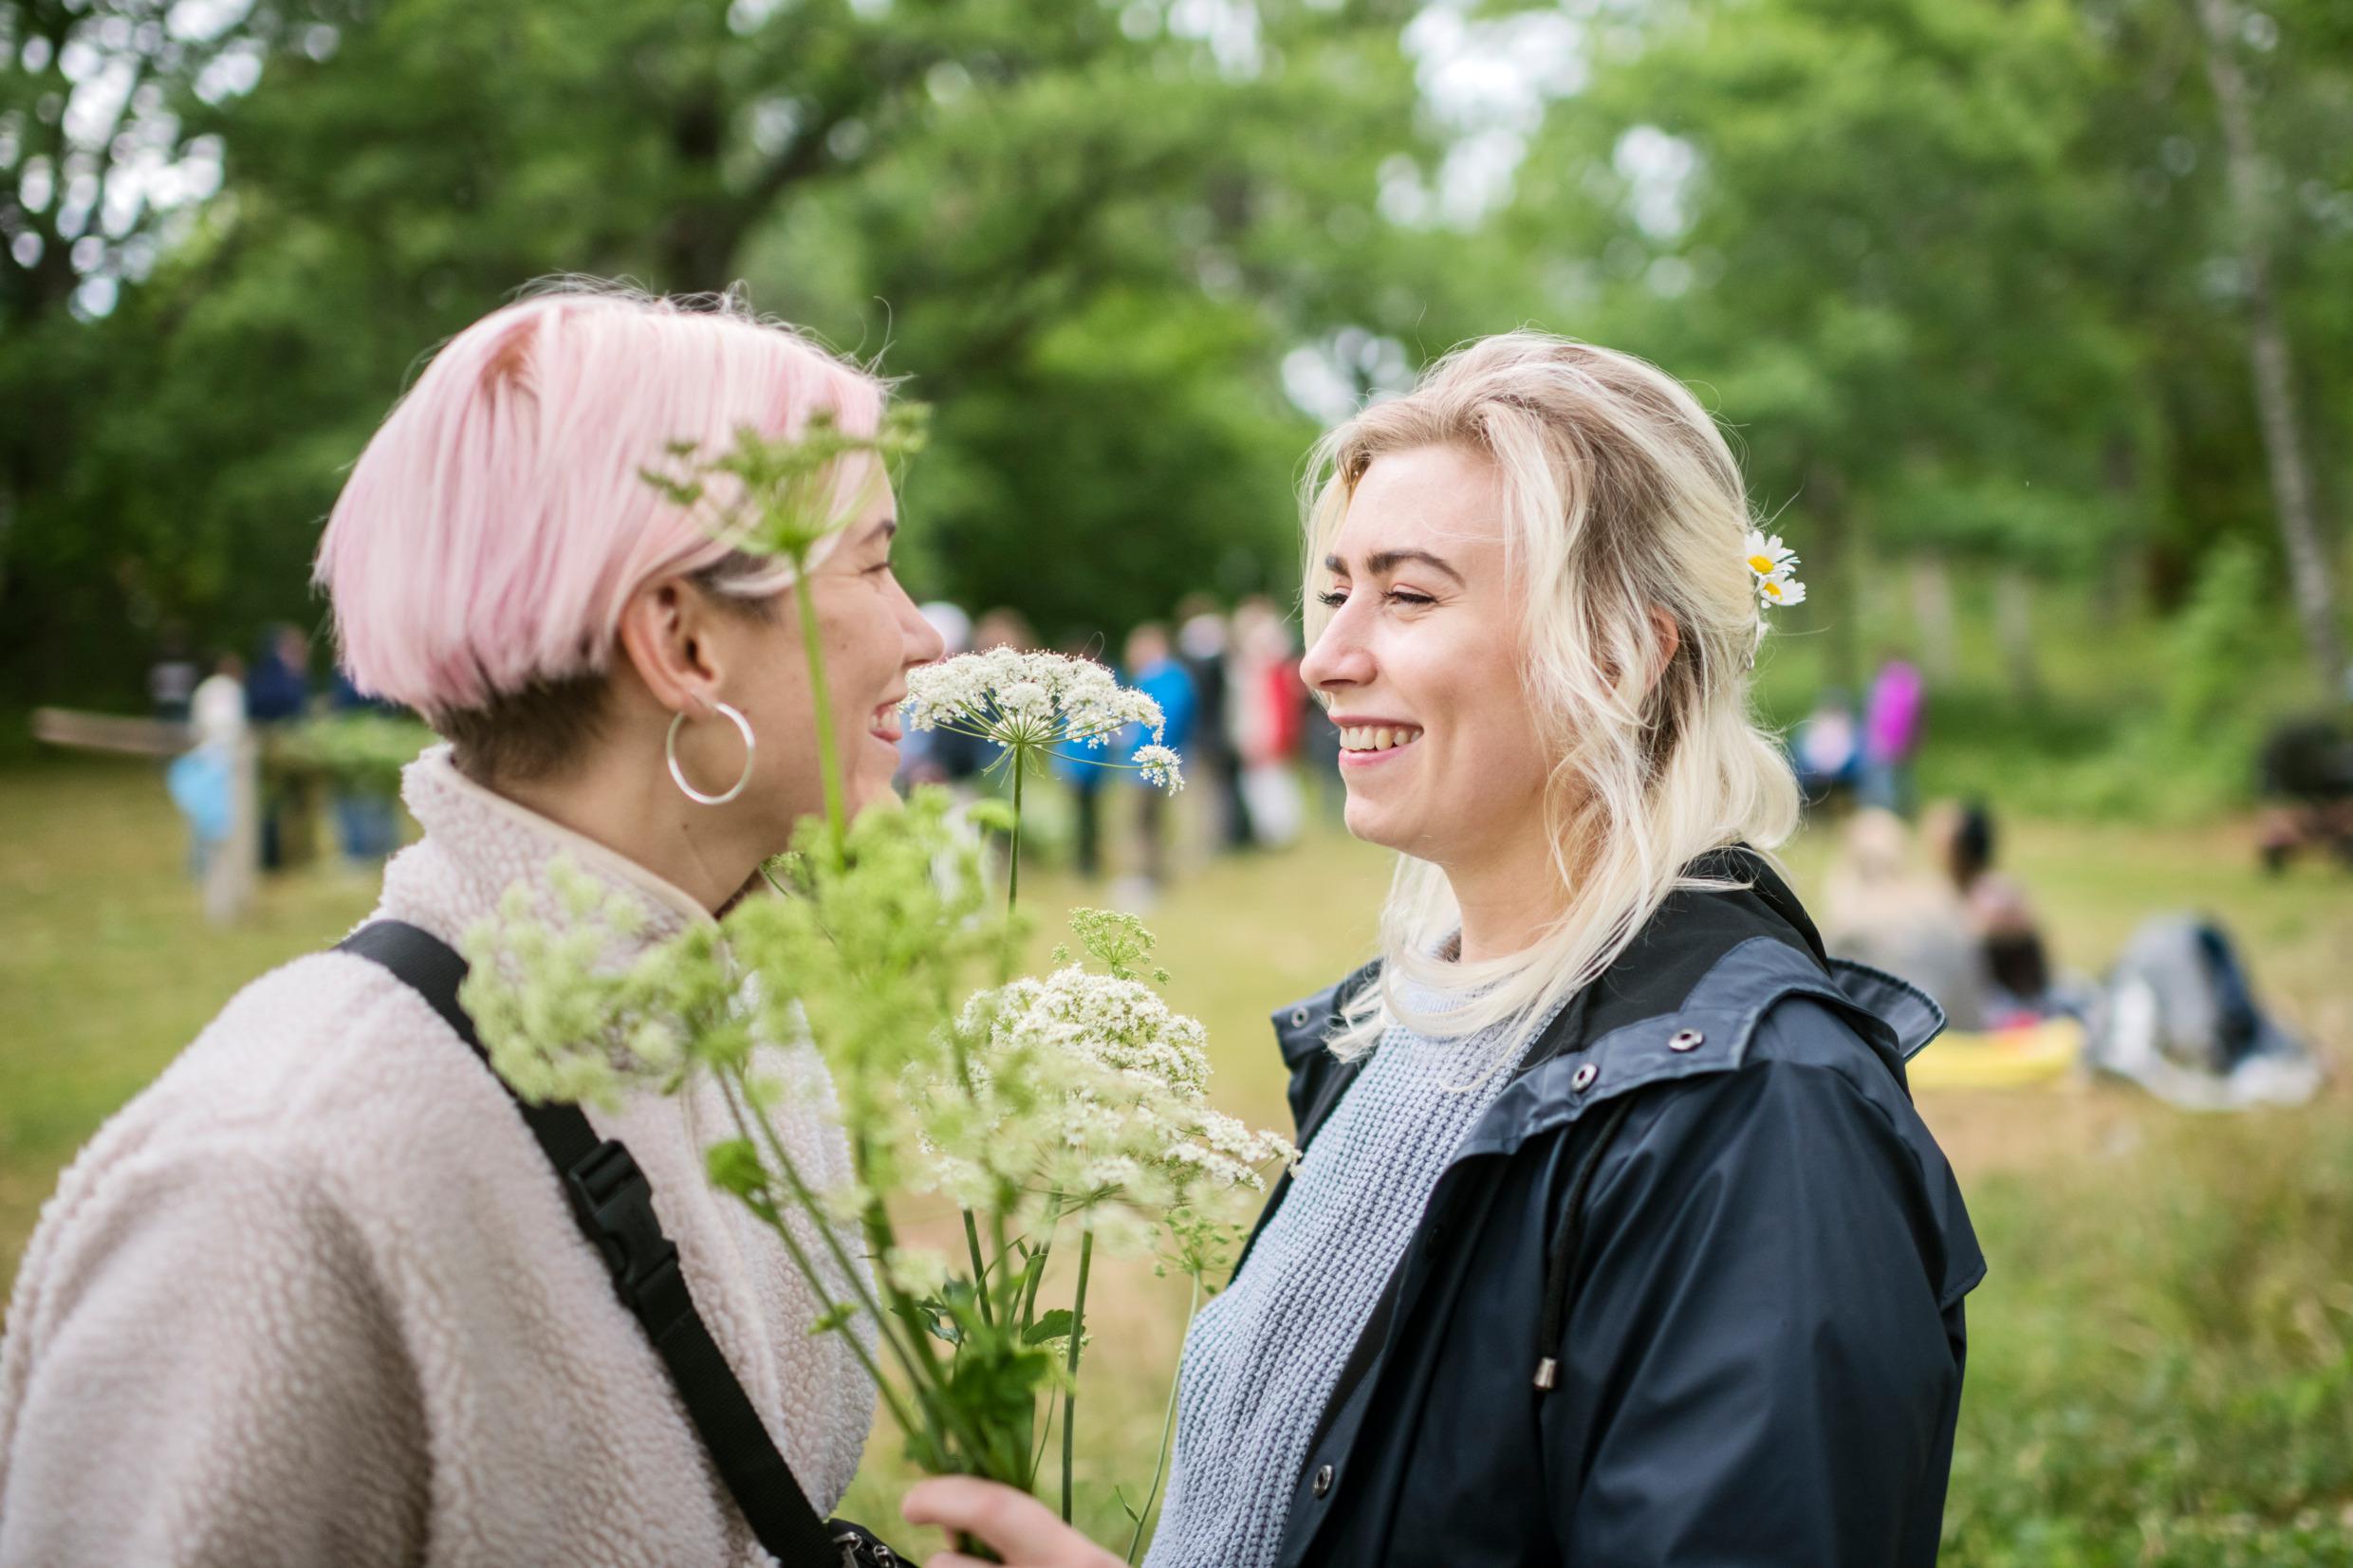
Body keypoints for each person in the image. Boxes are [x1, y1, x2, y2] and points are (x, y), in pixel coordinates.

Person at [904, 332, 1981, 1568]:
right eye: (1335, 591)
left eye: (1408, 596)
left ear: (1626, 654)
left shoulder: (1756, 1117)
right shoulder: (1405, 1032)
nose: (1325, 659)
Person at [0, 284, 943, 1565]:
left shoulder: (746, 1037)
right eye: (878, 564)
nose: (922, 635)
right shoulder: (276, 1180)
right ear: (684, 640)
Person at [1121, 621, 1196, 890]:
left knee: (1148, 820)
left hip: (1157, 760)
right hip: (1140, 759)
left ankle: (1151, 876)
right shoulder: (1147, 678)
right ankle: (1146, 873)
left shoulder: (1170, 678)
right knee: (1141, 820)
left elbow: (1167, 721)